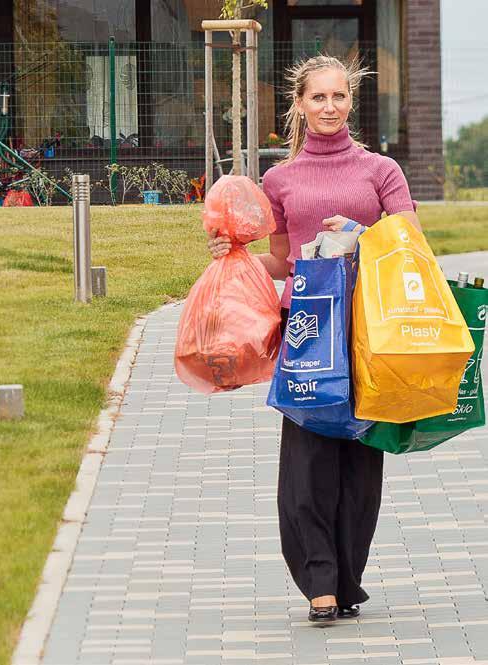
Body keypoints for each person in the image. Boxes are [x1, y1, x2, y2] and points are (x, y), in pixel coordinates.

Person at [207, 55, 422, 624]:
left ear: (351, 102)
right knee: (306, 460)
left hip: (368, 329)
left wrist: (362, 238)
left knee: (359, 460)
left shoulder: (382, 171)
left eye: (339, 97)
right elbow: (282, 259)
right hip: (307, 329)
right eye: (318, 98)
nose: (329, 108)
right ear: (298, 105)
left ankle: (348, 579)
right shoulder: (279, 180)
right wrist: (236, 255)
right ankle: (319, 581)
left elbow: (412, 245)